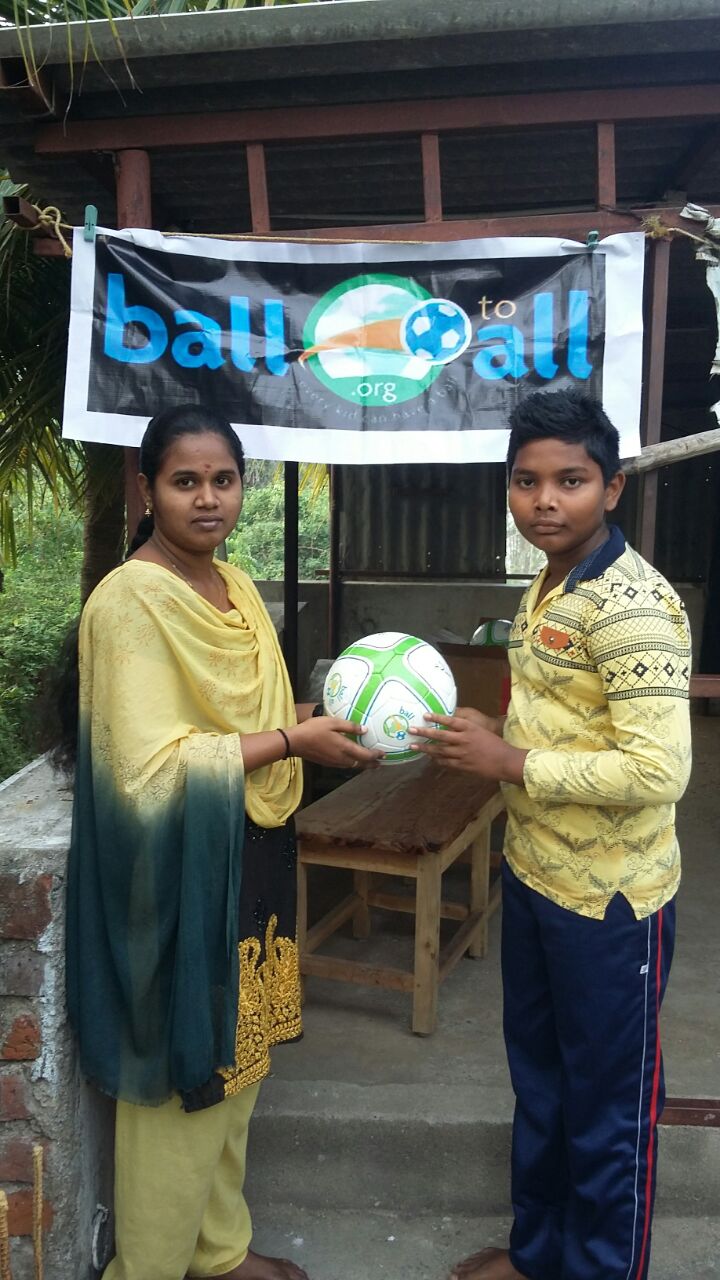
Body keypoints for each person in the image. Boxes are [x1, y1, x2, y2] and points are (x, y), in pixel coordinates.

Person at [62, 404, 380, 1280]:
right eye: (185, 481)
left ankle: (219, 1250)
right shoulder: (129, 600)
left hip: (254, 844)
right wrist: (293, 741)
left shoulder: (233, 585)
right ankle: (151, 1267)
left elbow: (258, 717)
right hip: (178, 866)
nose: (208, 499)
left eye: (224, 480)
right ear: (146, 490)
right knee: (186, 1073)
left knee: (239, 1064)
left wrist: (334, 719)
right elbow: (144, 769)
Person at [410, 389, 691, 1280]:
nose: (544, 501)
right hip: (535, 879)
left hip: (613, 906)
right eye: (526, 481)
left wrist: (510, 762)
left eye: (570, 480)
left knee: (607, 1114)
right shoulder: (551, 581)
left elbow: (659, 771)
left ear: (611, 487)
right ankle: (538, 1256)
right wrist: (491, 733)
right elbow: (564, 717)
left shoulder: (632, 605)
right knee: (541, 1085)